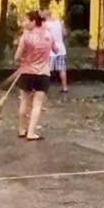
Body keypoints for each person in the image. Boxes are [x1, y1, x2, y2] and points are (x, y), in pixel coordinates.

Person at [14, 11, 58, 141]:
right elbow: (56, 50)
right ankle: (31, 133)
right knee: (37, 104)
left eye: (26, 20)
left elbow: (16, 57)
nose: (24, 23)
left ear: (34, 21)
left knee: (24, 101)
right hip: (43, 73)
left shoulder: (26, 36)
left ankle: (22, 129)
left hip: (27, 71)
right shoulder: (49, 35)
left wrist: (23, 60)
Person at [42, 9, 69, 93]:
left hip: (50, 49)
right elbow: (65, 33)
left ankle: (44, 87)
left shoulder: (45, 25)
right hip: (60, 48)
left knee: (47, 69)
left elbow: (44, 36)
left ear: (45, 15)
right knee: (62, 69)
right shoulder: (59, 22)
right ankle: (65, 87)